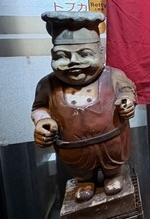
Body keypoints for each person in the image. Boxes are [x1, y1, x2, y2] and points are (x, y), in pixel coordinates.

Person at [31, 11, 137, 203]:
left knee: (113, 167)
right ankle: (85, 181)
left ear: (101, 53)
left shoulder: (113, 75)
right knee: (81, 170)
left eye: (85, 54)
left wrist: (127, 102)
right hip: (74, 150)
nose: (74, 62)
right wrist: (43, 121)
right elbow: (39, 107)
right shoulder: (48, 85)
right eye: (63, 56)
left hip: (112, 143)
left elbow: (127, 91)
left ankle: (113, 175)